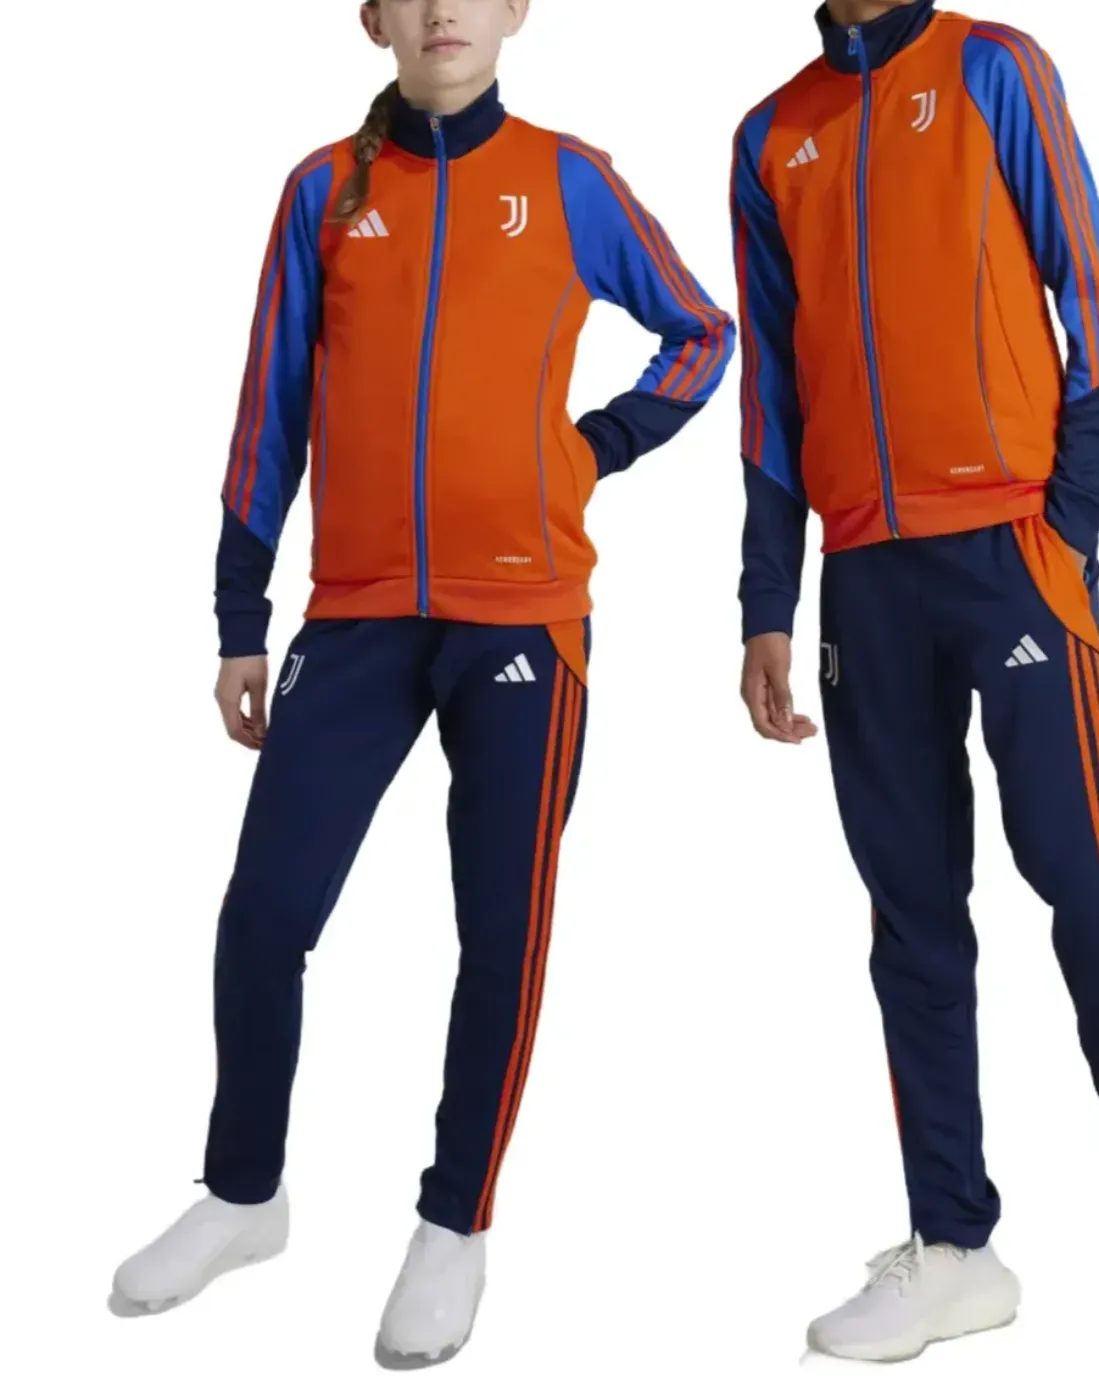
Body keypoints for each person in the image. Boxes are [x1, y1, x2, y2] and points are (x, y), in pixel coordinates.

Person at [112, 0, 732, 1367]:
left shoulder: (568, 179)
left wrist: (594, 446)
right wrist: (239, 616)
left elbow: (701, 329)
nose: (444, 8)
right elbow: (270, 404)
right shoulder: (322, 192)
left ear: (515, 10)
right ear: (375, 19)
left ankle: (455, 1222)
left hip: (524, 616)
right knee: (265, 913)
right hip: (358, 615)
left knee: (498, 931)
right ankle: (243, 1195)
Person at [731, 0, 1099, 1360]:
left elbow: (1094, 312)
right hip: (865, 575)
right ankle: (953, 1246)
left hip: (1013, 548)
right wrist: (767, 601)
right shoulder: (771, 136)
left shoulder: (995, 70)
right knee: (911, 912)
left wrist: (1065, 532)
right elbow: (773, 396)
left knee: (1079, 865)